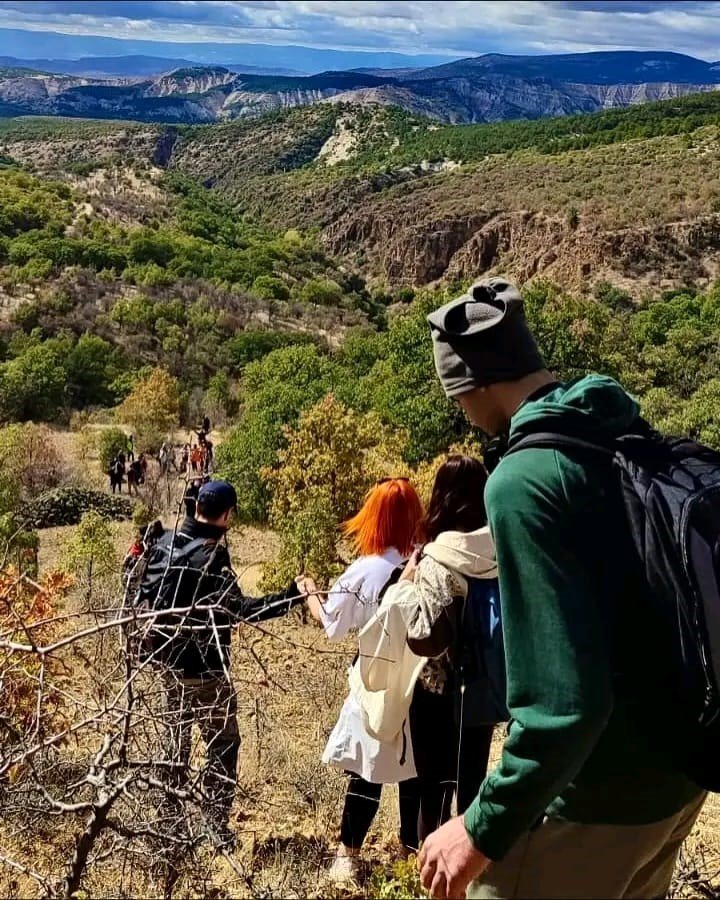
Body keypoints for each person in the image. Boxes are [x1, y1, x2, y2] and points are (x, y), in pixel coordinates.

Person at [418, 276, 705, 899]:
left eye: (457, 395)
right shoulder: (620, 433)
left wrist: (481, 826)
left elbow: (563, 709)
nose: (461, 411)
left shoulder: (523, 481)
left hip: (594, 797)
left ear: (474, 383)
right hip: (675, 779)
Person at [136, 480, 304, 848]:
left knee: (174, 745)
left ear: (196, 507)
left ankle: (168, 826)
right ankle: (215, 829)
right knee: (223, 745)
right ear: (227, 514)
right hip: (206, 672)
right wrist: (291, 597)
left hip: (166, 666)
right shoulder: (212, 556)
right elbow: (240, 610)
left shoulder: (163, 542)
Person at [303, 478, 425, 883]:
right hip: (419, 682)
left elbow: (332, 627)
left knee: (366, 772)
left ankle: (348, 857)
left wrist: (309, 593)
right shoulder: (426, 563)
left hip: (374, 678)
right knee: (414, 772)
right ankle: (410, 858)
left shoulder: (365, 570)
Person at [401, 455, 500, 843]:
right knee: (472, 786)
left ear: (441, 495)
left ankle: (433, 866)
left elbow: (426, 636)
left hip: (437, 692)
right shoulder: (498, 551)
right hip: (483, 685)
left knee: (434, 792)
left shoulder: (438, 557)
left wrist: (406, 589)